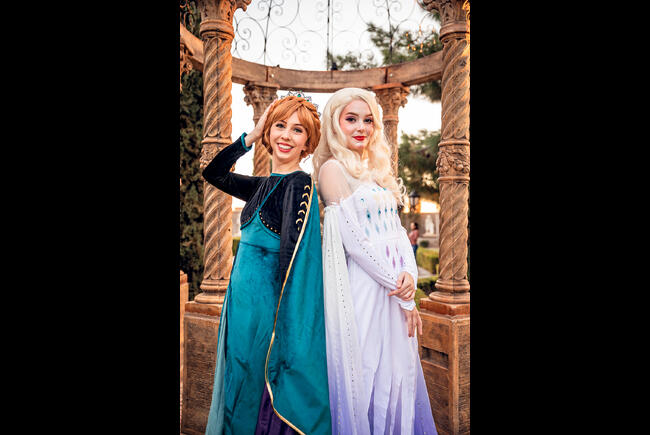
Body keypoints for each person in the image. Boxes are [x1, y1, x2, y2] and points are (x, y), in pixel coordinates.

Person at [203, 94, 331, 435]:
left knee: (252, 380)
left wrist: (283, 327)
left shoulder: (299, 184)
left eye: (297, 130)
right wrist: (251, 135)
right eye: (280, 126)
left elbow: (292, 257)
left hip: (265, 311)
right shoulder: (262, 185)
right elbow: (213, 173)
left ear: (308, 143)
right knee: (237, 375)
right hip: (239, 304)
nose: (286, 135)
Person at [313, 88, 437, 434]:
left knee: (398, 371)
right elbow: (355, 244)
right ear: (334, 123)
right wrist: (403, 293)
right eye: (351, 119)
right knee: (365, 370)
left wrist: (409, 274)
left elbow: (397, 232)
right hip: (364, 290)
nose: (361, 127)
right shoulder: (332, 169)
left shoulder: (376, 169)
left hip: (395, 288)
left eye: (368, 120)